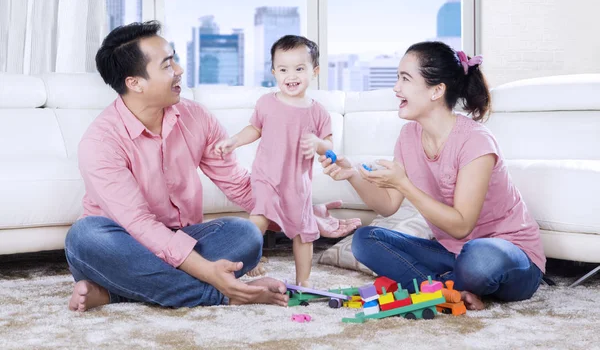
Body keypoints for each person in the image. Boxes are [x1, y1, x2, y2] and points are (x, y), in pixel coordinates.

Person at [65, 21, 291, 311]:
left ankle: (115, 294)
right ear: (135, 83)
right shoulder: (100, 142)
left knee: (246, 235)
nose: (180, 71)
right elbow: (140, 225)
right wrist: (210, 274)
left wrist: (298, 215)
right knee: (85, 237)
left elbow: (238, 184)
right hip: (123, 247)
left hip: (183, 241)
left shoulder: (195, 116)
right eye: (167, 65)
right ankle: (224, 294)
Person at [319, 41, 545, 310]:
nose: (396, 88)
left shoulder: (476, 141)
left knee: (478, 259)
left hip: (508, 254)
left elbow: (462, 226)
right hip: (452, 253)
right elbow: (388, 206)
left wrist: (404, 183)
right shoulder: (408, 136)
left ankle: (441, 284)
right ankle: (447, 290)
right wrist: (352, 175)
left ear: (437, 90)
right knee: (365, 240)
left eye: (405, 78)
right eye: (397, 78)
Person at [215, 35, 360, 286]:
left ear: (314, 71)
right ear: (274, 72)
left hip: (297, 184)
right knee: (259, 217)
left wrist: (319, 144)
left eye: (299, 69)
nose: (290, 76)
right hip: (266, 176)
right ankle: (249, 260)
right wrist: (234, 141)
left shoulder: (318, 112)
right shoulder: (266, 103)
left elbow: (329, 147)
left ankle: (303, 281)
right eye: (283, 69)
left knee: (303, 232)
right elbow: (254, 128)